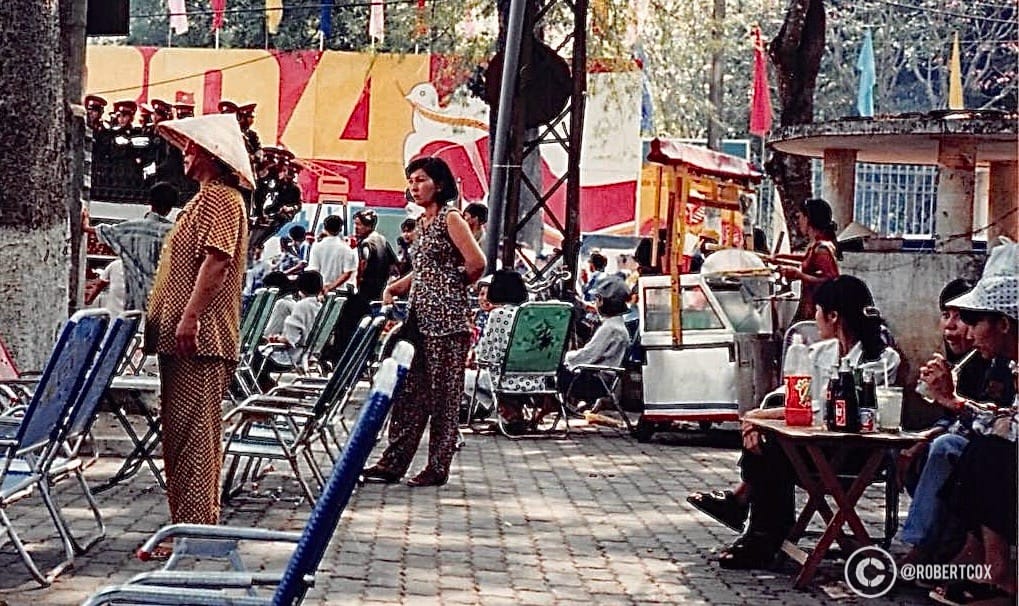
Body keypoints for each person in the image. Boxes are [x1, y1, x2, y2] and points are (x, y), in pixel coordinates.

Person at [689, 276, 900, 568]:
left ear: (834, 315)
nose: (814, 318)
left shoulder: (882, 360)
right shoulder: (819, 352)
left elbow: (825, 409)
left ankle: (754, 523)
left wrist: (757, 418)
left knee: (773, 445)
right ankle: (760, 532)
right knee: (770, 443)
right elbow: (791, 396)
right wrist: (759, 420)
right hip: (814, 446)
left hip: (855, 451)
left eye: (818, 310)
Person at [144, 115, 250, 547]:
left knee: (194, 437)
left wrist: (190, 316)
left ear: (213, 155)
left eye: (193, 149)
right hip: (184, 337)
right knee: (183, 434)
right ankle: (189, 525)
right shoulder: (205, 199)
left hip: (199, 339)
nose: (185, 154)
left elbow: (217, 260)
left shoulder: (221, 200)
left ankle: (194, 530)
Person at [363, 156, 485, 487]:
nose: (414, 187)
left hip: (447, 323)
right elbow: (424, 270)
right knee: (409, 393)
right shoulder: (422, 223)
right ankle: (393, 461)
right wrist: (396, 286)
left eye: (421, 180)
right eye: (411, 181)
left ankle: (437, 466)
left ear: (440, 184)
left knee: (444, 398)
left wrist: (451, 285)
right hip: (418, 318)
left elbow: (476, 263)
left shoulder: (451, 218)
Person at [903, 243, 1018, 569]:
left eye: (973, 320)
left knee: (982, 453)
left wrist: (952, 402)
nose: (966, 330)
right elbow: (1004, 418)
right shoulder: (1007, 363)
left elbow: (1010, 427)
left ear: (1004, 324)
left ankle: (996, 571)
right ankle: (968, 553)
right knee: (977, 449)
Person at [82, 181, 176, 311]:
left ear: (151, 202)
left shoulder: (131, 227)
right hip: (164, 305)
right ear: (170, 207)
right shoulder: (174, 232)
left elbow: (104, 231)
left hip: (135, 303)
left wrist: (86, 224)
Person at [465, 270, 531, 433]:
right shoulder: (530, 313)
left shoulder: (498, 314)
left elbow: (484, 355)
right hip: (537, 379)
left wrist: (474, 356)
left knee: (462, 377)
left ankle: (507, 413)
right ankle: (512, 412)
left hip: (505, 380)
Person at [559, 277, 632, 411]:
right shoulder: (617, 325)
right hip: (604, 380)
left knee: (551, 374)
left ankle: (551, 406)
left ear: (604, 302)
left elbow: (588, 355)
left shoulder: (610, 328)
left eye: (597, 299)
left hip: (596, 382)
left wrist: (564, 358)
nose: (595, 304)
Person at [334, 209, 397, 350]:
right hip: (379, 292)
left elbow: (362, 265)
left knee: (344, 324)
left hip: (365, 294)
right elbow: (394, 267)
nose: (356, 228)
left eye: (359, 225)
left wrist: (357, 284)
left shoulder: (366, 244)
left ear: (368, 226)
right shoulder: (382, 240)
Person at [250, 270, 324, 391]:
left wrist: (276, 339)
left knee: (253, 356)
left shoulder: (297, 306)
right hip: (308, 353)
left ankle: (264, 389)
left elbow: (290, 339)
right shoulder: (318, 306)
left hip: (291, 355)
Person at [774, 198, 840, 322]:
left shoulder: (822, 249)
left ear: (808, 219)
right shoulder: (816, 245)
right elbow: (806, 259)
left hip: (818, 308)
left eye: (801, 217)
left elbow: (832, 280)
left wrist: (799, 275)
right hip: (810, 304)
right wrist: (779, 258)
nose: (798, 222)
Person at [307, 215, 358, 294]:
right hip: (340, 292)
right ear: (340, 229)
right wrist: (330, 287)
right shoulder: (346, 249)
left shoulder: (316, 246)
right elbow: (347, 273)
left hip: (319, 291)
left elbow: (314, 270)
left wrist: (322, 288)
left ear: (324, 227)